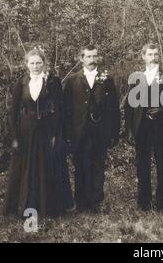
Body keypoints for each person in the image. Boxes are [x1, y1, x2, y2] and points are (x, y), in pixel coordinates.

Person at [3, 47, 74, 217]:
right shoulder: (20, 83)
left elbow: (59, 110)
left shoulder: (52, 81)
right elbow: (13, 113)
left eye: (39, 63)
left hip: (46, 129)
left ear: (44, 63)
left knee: (47, 166)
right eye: (32, 63)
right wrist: (14, 137)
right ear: (26, 64)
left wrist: (56, 133)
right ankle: (25, 206)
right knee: (26, 168)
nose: (35, 66)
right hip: (26, 131)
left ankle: (48, 208)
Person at [63, 44, 120, 212]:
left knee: (98, 166)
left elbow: (114, 108)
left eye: (95, 56)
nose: (92, 60)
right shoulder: (73, 80)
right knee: (80, 165)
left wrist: (114, 133)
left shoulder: (106, 79)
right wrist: (67, 134)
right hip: (79, 132)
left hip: (99, 131)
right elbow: (67, 109)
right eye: (88, 56)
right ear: (81, 59)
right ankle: (80, 202)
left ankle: (95, 201)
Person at [124, 43, 163, 211]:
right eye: (150, 54)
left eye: (155, 54)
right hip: (142, 127)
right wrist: (130, 129)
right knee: (142, 165)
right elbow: (129, 107)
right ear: (143, 56)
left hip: (162, 127)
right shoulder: (136, 77)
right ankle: (143, 202)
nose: (153, 57)